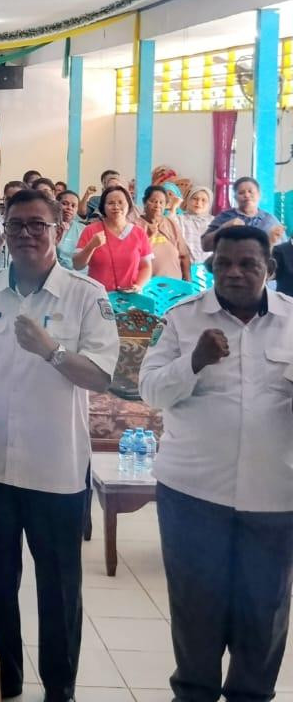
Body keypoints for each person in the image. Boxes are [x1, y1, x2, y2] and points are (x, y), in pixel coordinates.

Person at [0, 189, 119, 702]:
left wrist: (53, 351)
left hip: (55, 468)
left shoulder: (85, 295)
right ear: (5, 230)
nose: (26, 234)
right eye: (16, 225)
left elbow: (101, 376)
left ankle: (60, 687)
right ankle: (4, 679)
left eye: (38, 225)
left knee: (59, 587)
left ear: (57, 230)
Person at [140, 226, 293, 702]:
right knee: (195, 611)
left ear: (269, 269)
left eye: (248, 264)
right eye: (223, 263)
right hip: (194, 494)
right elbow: (150, 391)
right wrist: (194, 362)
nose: (234, 273)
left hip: (275, 497)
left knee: (264, 614)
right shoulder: (182, 320)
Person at [74, 185, 153, 293]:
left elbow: (146, 267)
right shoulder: (90, 230)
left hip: (130, 297)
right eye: (110, 203)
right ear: (103, 207)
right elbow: (77, 265)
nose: (116, 206)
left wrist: (139, 286)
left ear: (128, 205)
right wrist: (91, 246)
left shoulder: (139, 233)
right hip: (98, 296)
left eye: (120, 202)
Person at [201, 176, 283, 253]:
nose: (247, 195)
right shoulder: (225, 216)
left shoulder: (270, 220)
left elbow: (282, 252)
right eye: (241, 192)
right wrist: (224, 228)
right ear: (235, 197)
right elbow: (205, 246)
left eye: (250, 191)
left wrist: (271, 240)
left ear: (259, 195)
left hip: (261, 263)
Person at [139, 184, 191, 280]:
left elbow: (184, 255)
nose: (157, 205)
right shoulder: (136, 226)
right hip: (148, 285)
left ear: (166, 205)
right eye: (153, 201)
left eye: (161, 202)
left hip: (176, 283)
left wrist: (188, 282)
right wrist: (149, 236)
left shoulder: (170, 223)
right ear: (144, 202)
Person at [55, 189, 86, 270]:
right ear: (56, 204)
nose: (69, 208)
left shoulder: (84, 229)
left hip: (79, 274)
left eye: (73, 206)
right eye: (65, 204)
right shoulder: (48, 227)